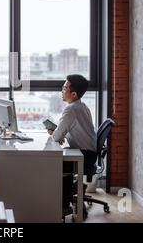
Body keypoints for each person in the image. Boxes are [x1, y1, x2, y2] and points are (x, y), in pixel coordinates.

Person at [47, 74, 97, 218]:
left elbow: (56, 137)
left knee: (54, 164)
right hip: (88, 152)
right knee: (61, 161)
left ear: (73, 94)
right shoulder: (82, 106)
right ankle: (73, 191)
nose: (62, 91)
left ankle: (65, 203)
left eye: (64, 88)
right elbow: (70, 130)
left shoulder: (71, 110)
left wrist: (55, 134)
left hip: (85, 155)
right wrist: (59, 134)